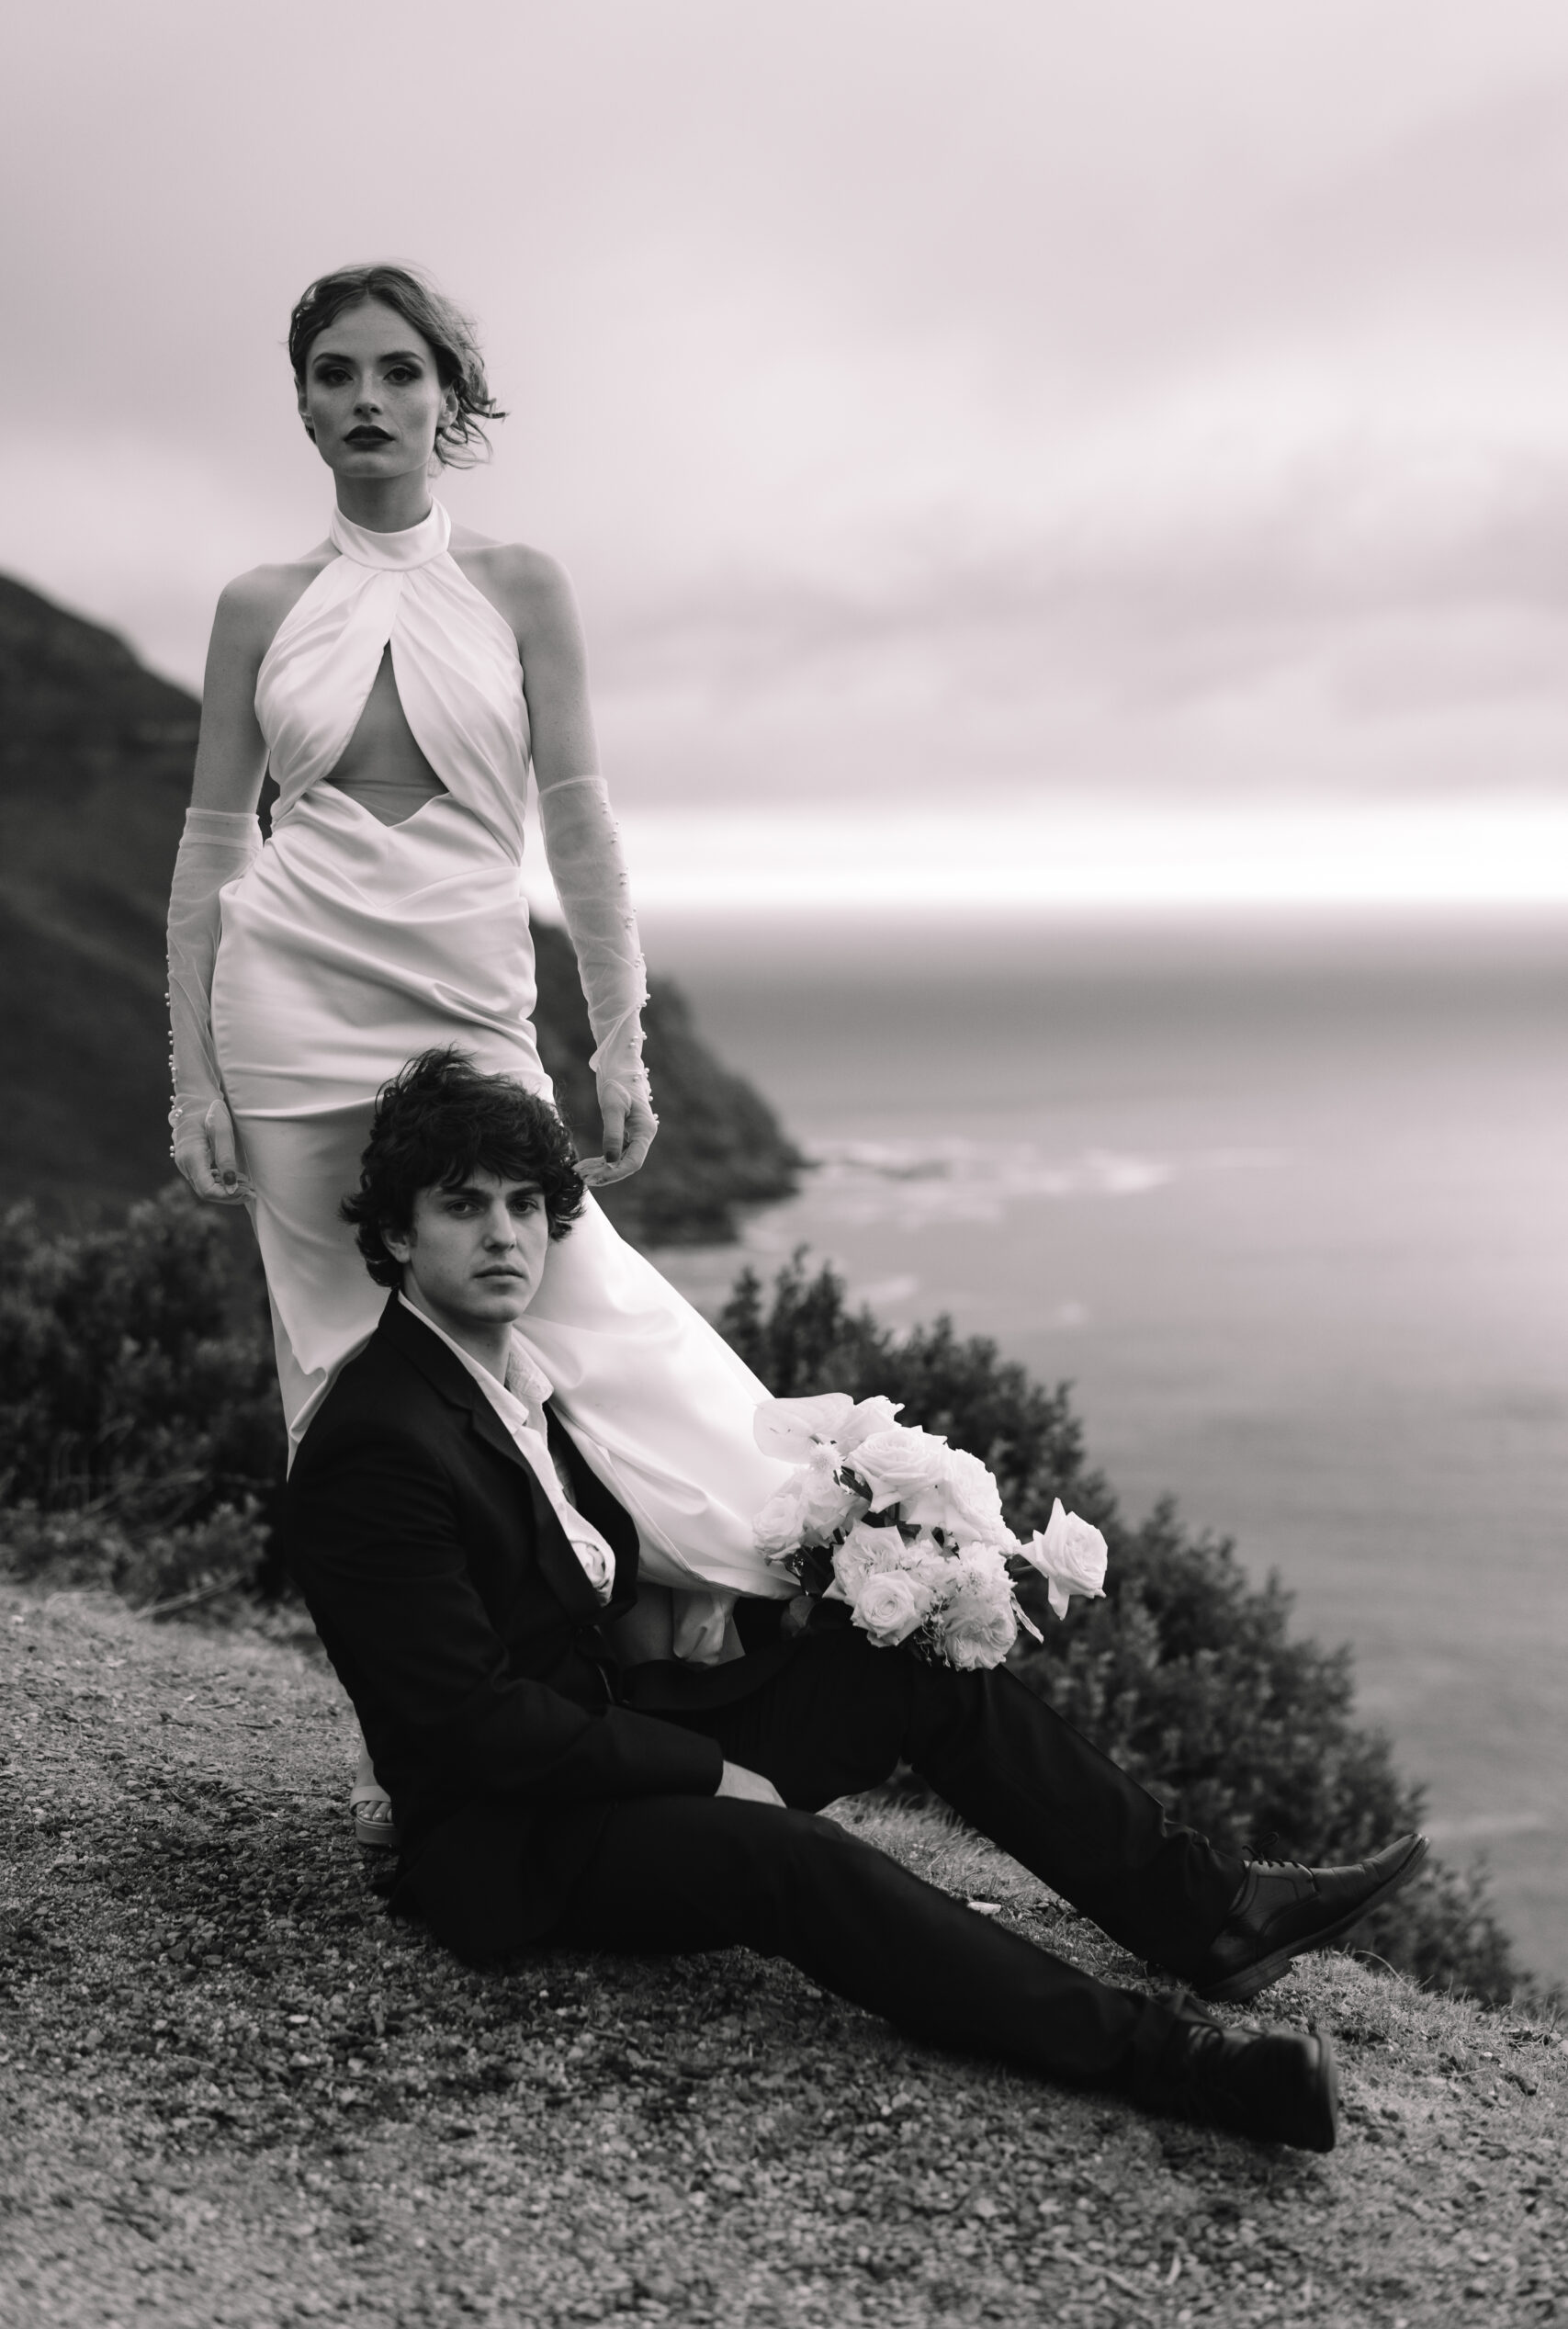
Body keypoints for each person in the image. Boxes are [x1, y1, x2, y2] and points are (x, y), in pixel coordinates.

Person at [285, 1049, 1432, 2154]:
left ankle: (1212, 1915)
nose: (504, 1234)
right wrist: (703, 1769)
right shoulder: (377, 1439)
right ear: (395, 1233)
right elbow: (464, 1723)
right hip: (508, 1840)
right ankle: (1184, 2063)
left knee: (906, 1660)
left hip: (611, 1739)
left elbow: (588, 1598)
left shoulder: (519, 1387)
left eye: (527, 1205)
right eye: (463, 1206)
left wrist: (781, 1614)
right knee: (795, 1862)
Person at [164, 263, 797, 1839]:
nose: (363, 401)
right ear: (302, 400)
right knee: (335, 1380)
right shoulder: (257, 603)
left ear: (451, 397)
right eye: (331, 375)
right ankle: (421, 1762)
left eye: (395, 371)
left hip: (466, 1002)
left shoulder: (522, 586)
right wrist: (190, 1073)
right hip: (289, 1004)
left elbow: (577, 826)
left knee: (585, 1320)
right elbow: (204, 847)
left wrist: (619, 1047)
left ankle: (715, 1600)